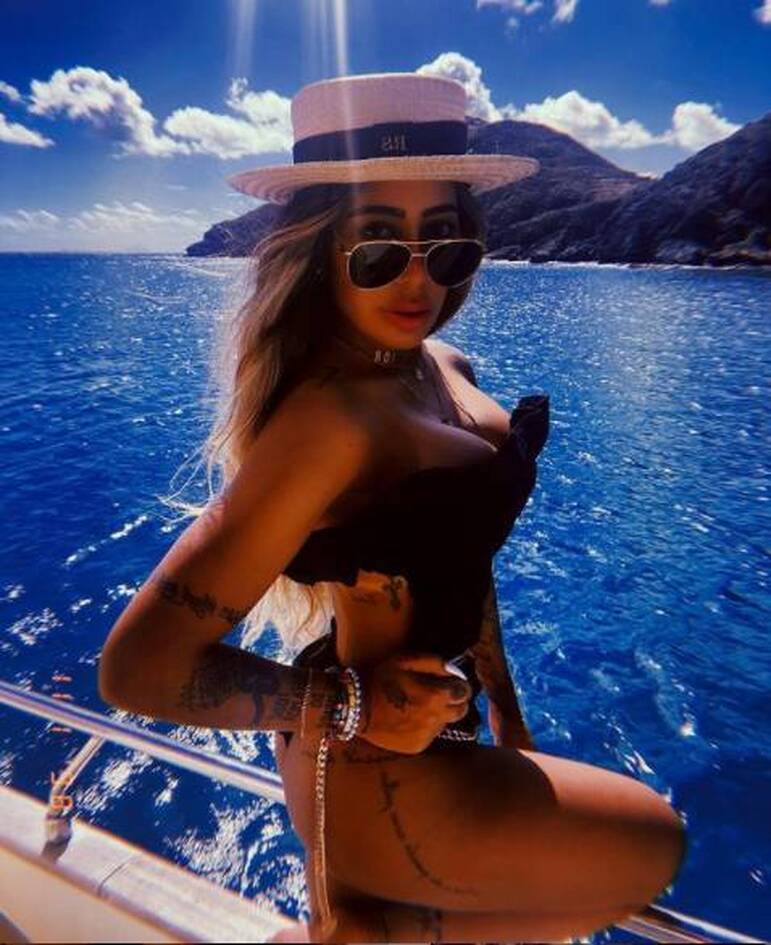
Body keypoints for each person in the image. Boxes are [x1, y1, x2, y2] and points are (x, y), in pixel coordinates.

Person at [97, 72, 687, 943]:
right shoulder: (328, 422)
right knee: (652, 847)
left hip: (416, 744)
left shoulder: (442, 366)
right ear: (318, 251)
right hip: (370, 762)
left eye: (444, 246)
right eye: (377, 248)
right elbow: (136, 667)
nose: (417, 280)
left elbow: (464, 554)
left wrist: (506, 707)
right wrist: (353, 706)